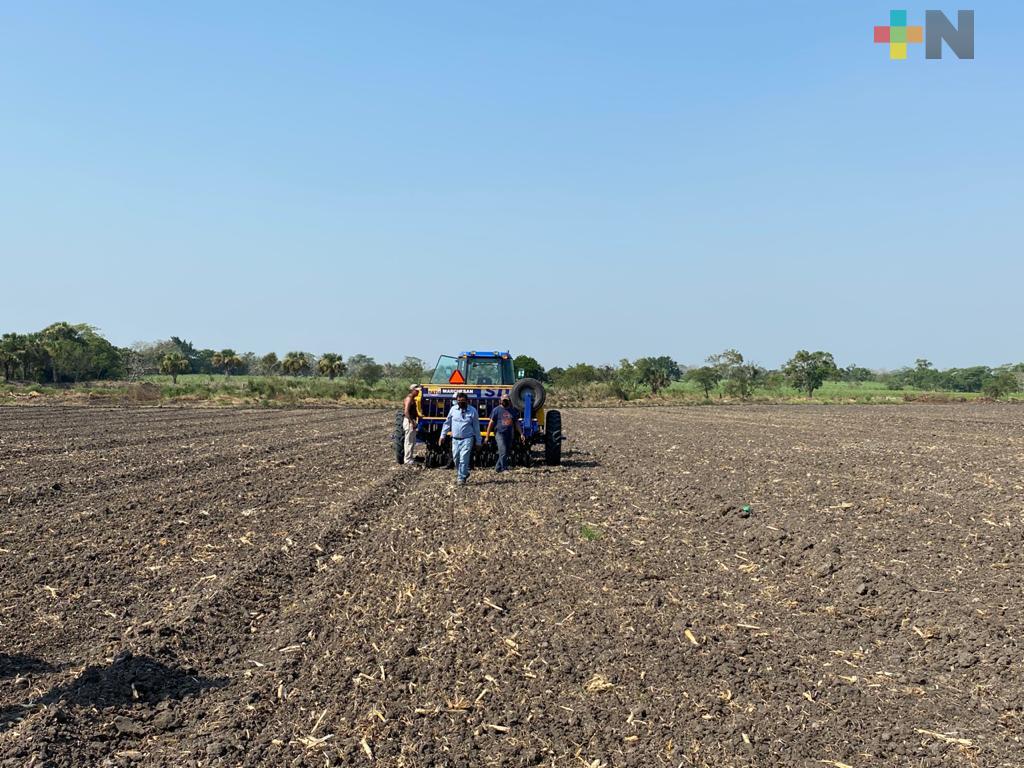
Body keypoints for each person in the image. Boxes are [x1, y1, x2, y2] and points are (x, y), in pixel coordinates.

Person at [440, 391, 481, 486]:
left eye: (462, 401)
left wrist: (478, 441)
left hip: (467, 439)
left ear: (467, 401)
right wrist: (443, 435)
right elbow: (447, 423)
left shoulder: (472, 411)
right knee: (456, 458)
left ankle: (461, 478)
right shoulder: (453, 410)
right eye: (458, 401)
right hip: (455, 439)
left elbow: (476, 427)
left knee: (463, 459)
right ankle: (465, 473)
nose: (460, 402)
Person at [486, 394, 524, 472]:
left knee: (506, 451)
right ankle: (504, 468)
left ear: (509, 401)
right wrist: (487, 436)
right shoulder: (496, 410)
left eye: (506, 400)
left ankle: (497, 468)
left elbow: (516, 423)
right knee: (502, 450)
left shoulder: (512, 410)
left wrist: (521, 433)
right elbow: (491, 423)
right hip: (499, 433)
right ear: (500, 401)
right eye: (504, 400)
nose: (505, 402)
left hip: (510, 433)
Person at [402, 384, 419, 465]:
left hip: (411, 421)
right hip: (409, 422)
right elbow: (406, 412)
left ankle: (410, 458)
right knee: (409, 441)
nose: (418, 392)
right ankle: (408, 459)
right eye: (417, 390)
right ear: (412, 390)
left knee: (412, 441)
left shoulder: (413, 399)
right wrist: (412, 422)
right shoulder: (409, 399)